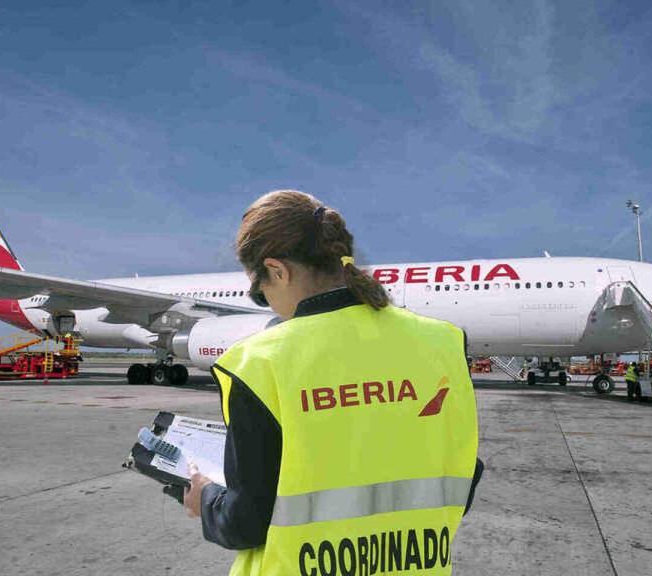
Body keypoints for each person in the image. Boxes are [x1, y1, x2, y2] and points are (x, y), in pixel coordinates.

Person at [182, 190, 483, 575]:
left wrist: (205, 499)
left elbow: (246, 523)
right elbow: (462, 473)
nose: (267, 302)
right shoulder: (444, 343)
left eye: (261, 291)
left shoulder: (258, 362)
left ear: (277, 270)